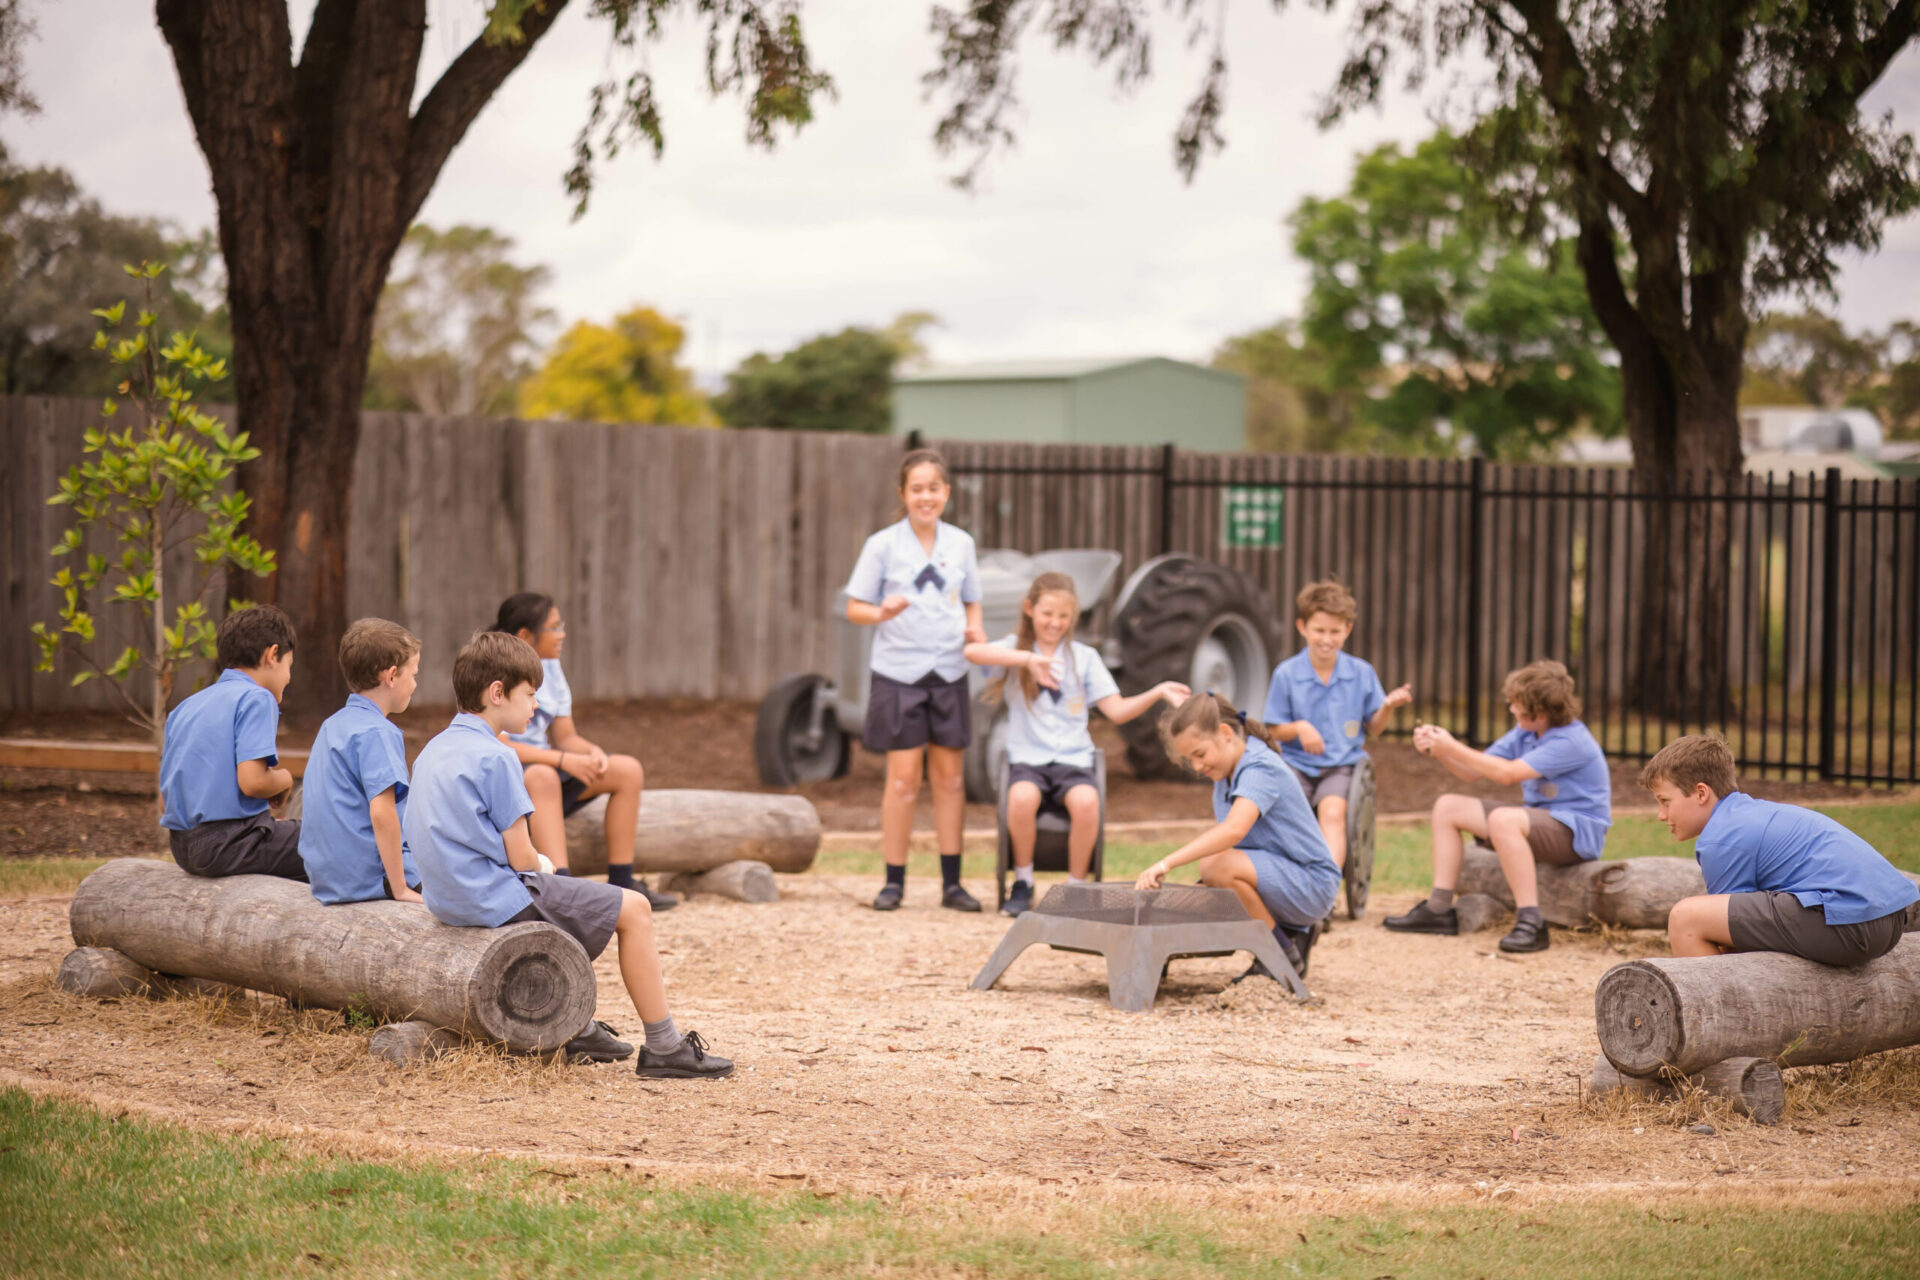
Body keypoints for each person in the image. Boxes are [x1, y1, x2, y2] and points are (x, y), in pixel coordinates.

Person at [405, 631, 732, 1078]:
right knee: (633, 908)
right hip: (493, 898)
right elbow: (522, 858)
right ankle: (664, 1047)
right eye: (529, 695)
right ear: (497, 693)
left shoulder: (432, 751)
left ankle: (577, 1026)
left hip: (447, 900)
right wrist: (544, 866)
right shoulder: (496, 757)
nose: (535, 706)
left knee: (575, 901)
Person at [965, 572, 1189, 916]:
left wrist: (1157, 691)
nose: (1055, 623)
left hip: (1073, 760)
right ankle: (1022, 881)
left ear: (1073, 618)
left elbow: (1117, 710)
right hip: (1029, 759)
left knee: (1087, 803)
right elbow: (974, 652)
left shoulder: (1084, 658)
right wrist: (1028, 660)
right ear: (1029, 610)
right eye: (1047, 614)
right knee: (1021, 797)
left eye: (1063, 616)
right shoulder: (1015, 651)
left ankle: (1075, 889)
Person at [1384, 659, 1610, 954]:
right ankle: (1438, 910)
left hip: (1577, 834)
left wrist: (1452, 746)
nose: (1511, 707)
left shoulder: (1572, 740)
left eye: (1517, 704)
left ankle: (1532, 921)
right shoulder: (1526, 732)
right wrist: (1438, 750)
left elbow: (1507, 774)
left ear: (1540, 712)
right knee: (1447, 807)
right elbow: (1473, 771)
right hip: (1540, 822)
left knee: (1504, 819)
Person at [845, 447, 986, 912]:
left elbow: (971, 600)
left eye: (934, 488)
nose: (926, 497)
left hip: (949, 672)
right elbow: (854, 608)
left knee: (949, 780)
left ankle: (952, 884)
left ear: (946, 493)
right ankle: (893, 883)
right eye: (916, 489)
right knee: (903, 781)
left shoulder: (961, 544)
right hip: (899, 674)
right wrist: (879, 611)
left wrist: (975, 628)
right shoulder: (883, 545)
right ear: (903, 494)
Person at [1643, 734, 1917, 964]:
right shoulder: (1752, 813)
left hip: (1851, 921)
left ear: (1701, 793)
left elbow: (1727, 943)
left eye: (1665, 801)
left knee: (1686, 919)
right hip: (1889, 919)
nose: (1660, 814)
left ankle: (1724, 1021)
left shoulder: (1719, 838)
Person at [1134, 693, 1341, 981]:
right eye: (1189, 759)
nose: (1196, 767)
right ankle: (1292, 934)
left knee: (1215, 866)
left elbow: (1233, 831)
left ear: (1225, 733)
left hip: (1311, 884)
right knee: (1199, 895)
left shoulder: (1259, 767)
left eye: (1199, 754)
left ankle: (1280, 955)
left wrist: (1165, 864)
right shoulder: (1226, 774)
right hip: (1282, 879)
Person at [492, 592, 677, 911]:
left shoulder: (551, 667)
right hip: (517, 779)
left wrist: (591, 753)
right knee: (542, 776)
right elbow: (499, 743)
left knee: (627, 770)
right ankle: (563, 890)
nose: (562, 633)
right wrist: (564, 760)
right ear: (526, 635)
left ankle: (622, 879)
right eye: (554, 627)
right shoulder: (497, 670)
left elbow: (566, 735)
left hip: (548, 769)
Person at [1262, 578, 1411, 872]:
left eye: (1335, 631)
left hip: (1341, 766)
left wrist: (1388, 707)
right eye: (1319, 630)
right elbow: (1273, 730)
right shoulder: (1287, 674)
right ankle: (1292, 882)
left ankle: (1324, 887)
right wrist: (1300, 727)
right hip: (1296, 765)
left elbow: (1375, 727)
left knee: (1332, 812)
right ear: (1302, 627)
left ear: (1347, 630)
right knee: (1289, 814)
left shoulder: (1361, 672)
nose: (1326, 639)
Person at [158, 605, 306, 881]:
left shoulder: (186, 707)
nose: (289, 677)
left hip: (183, 847)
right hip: (231, 843)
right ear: (272, 655)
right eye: (289, 666)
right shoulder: (257, 698)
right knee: (331, 838)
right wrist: (284, 780)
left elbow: (165, 799)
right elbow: (253, 782)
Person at [298, 618, 424, 905]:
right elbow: (383, 814)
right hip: (369, 878)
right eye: (413, 674)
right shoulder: (377, 732)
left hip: (328, 879)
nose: (415, 684)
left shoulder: (332, 725)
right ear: (391, 676)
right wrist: (401, 888)